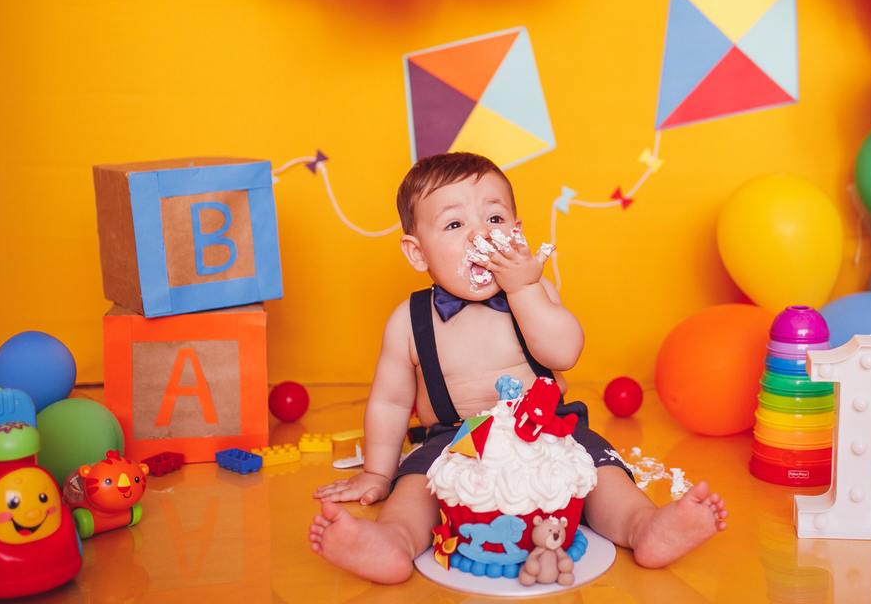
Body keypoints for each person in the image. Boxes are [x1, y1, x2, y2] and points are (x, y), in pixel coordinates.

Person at [310, 152, 728, 583]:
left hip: (547, 428)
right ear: (418, 253)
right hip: (457, 440)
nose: (480, 234)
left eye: (494, 219)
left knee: (601, 476)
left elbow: (565, 354)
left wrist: (525, 288)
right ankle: (393, 541)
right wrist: (378, 472)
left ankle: (645, 527)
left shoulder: (533, 291)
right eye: (455, 224)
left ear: (517, 232)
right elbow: (391, 402)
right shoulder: (409, 321)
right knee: (417, 485)